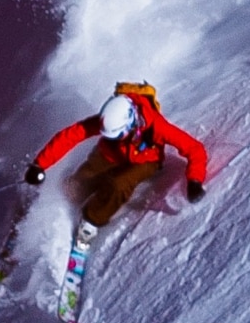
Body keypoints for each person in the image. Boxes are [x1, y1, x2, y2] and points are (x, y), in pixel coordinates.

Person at [24, 82, 209, 227]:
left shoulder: (156, 127)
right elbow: (70, 135)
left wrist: (194, 181)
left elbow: (195, 149)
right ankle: (67, 193)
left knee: (118, 184)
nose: (117, 138)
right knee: (79, 186)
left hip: (145, 160)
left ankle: (91, 221)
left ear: (131, 124)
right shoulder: (109, 121)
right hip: (110, 155)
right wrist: (39, 164)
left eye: (119, 136)